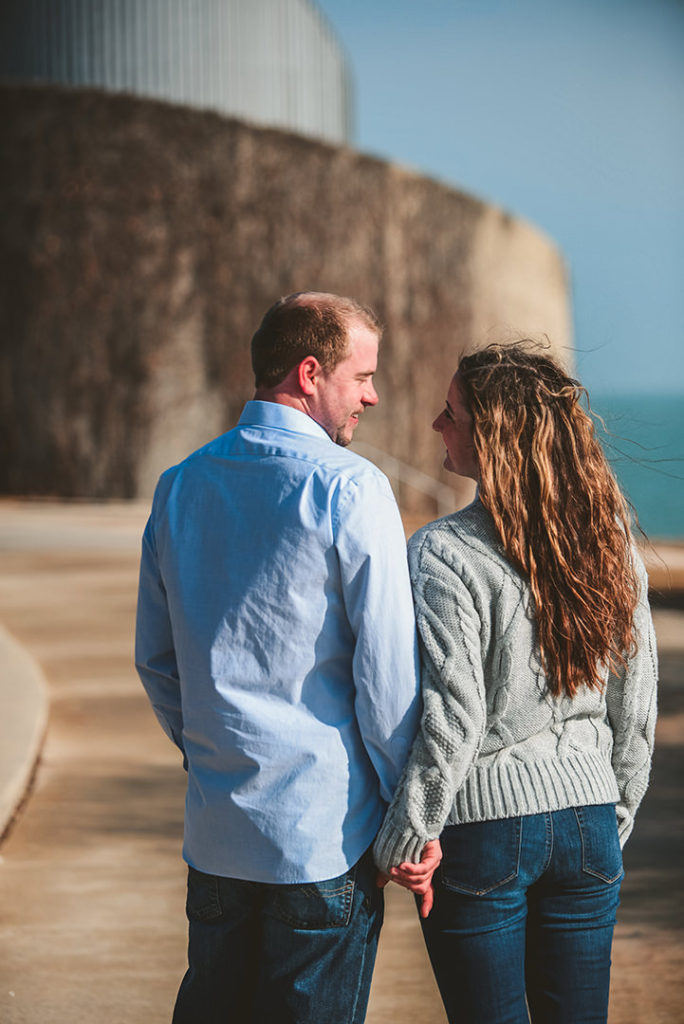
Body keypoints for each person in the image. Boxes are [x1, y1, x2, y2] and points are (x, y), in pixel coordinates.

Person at [135, 292, 427, 1024]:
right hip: (320, 836)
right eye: (361, 375)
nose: (374, 393)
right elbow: (387, 679)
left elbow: (157, 660)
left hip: (218, 833)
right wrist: (408, 818)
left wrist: (212, 749)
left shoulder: (178, 486)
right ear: (308, 372)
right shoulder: (351, 488)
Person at [374, 342, 658, 1023]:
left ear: (495, 436)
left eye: (451, 415)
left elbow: (455, 716)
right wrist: (612, 808)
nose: (437, 427)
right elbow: (636, 696)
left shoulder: (445, 553)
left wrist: (408, 835)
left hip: (486, 834)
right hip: (590, 826)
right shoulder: (608, 536)